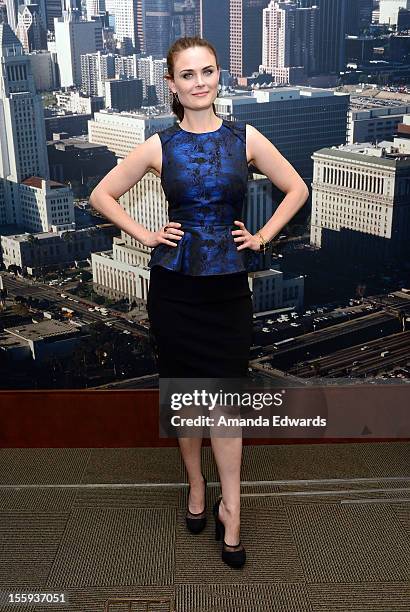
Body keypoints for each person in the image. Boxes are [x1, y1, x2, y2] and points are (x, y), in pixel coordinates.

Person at [89, 36, 309, 569]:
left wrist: (261, 238)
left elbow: (297, 189)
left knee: (226, 405)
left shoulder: (245, 138)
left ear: (219, 77)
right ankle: (195, 487)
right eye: (187, 75)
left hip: (228, 288)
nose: (199, 82)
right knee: (187, 399)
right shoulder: (159, 145)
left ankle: (232, 511)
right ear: (172, 85)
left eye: (207, 71)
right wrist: (144, 235)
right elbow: (100, 195)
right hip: (176, 288)